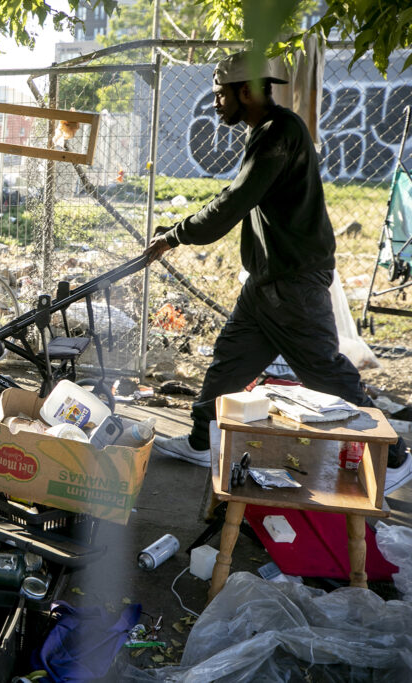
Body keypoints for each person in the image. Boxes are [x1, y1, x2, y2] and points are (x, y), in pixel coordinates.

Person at [144, 51, 411, 493]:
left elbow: (234, 201)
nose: (215, 102)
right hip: (269, 280)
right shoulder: (269, 131)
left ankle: (395, 455)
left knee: (325, 374)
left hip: (293, 281)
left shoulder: (277, 134)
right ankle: (199, 440)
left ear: (245, 91)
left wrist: (174, 236)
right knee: (230, 359)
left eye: (220, 94)